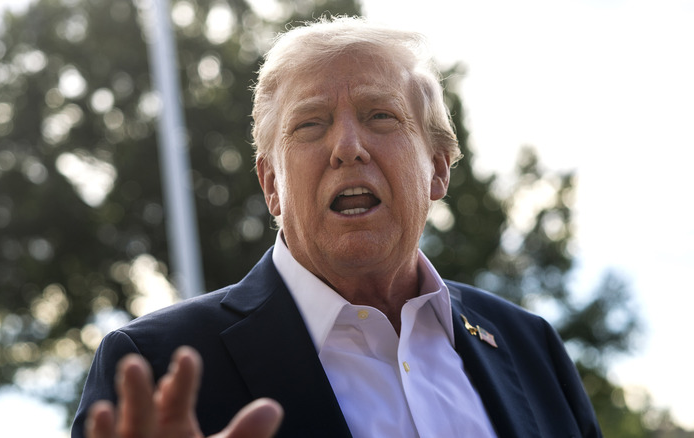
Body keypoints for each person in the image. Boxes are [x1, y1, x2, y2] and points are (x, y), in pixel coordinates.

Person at [72, 16, 602, 438]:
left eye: (380, 116)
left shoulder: (531, 347)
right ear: (271, 183)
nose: (348, 147)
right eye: (310, 124)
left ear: (438, 167)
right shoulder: (151, 367)